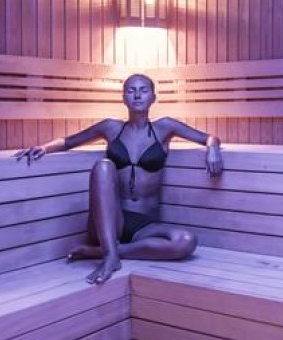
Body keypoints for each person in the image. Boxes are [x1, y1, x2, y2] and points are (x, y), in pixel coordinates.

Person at [14, 73, 223, 284]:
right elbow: (68, 142)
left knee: (186, 241)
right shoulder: (110, 128)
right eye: (131, 91)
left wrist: (212, 148)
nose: (137, 95)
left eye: (143, 90)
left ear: (153, 97)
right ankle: (109, 254)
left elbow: (209, 138)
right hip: (111, 220)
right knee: (103, 166)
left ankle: (102, 252)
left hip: (145, 227)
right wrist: (43, 148)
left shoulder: (165, 127)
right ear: (124, 99)